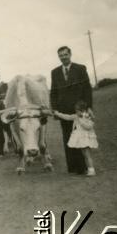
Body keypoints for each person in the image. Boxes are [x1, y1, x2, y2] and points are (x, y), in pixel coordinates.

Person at [50, 46, 94, 174]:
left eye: (65, 54)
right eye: (61, 55)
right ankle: (73, 167)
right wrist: (54, 109)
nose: (63, 57)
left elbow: (87, 89)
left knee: (80, 137)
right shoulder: (55, 72)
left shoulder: (80, 69)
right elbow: (53, 92)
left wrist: (88, 107)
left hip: (79, 110)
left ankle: (82, 167)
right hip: (63, 111)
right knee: (68, 138)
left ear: (70, 54)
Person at [54, 101, 98, 176]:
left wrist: (81, 120)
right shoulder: (76, 116)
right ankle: (89, 168)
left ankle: (92, 169)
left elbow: (89, 127)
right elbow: (67, 117)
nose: (76, 112)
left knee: (87, 154)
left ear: (83, 110)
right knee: (84, 154)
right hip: (81, 139)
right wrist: (57, 114)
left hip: (86, 138)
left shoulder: (87, 117)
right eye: (76, 111)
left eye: (77, 111)